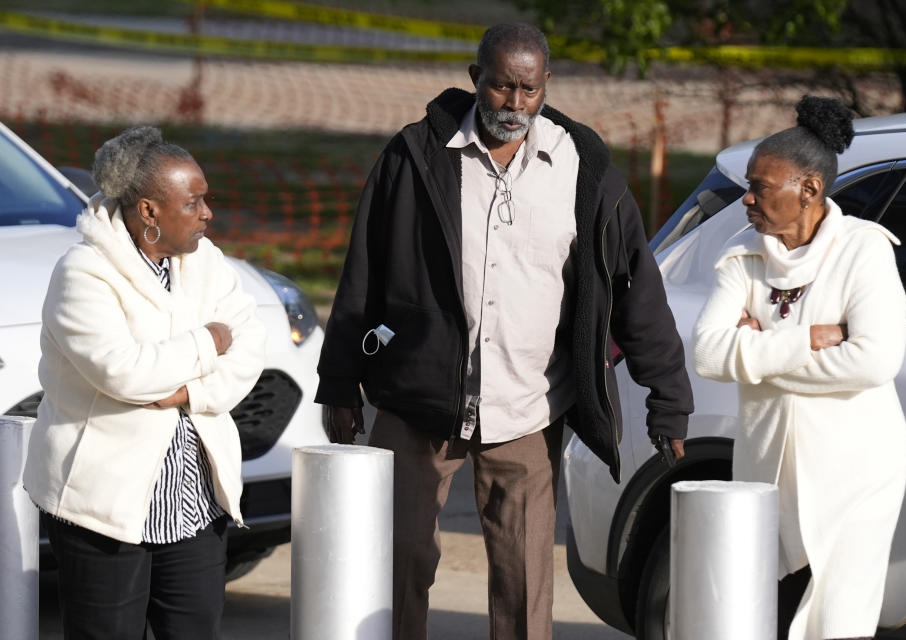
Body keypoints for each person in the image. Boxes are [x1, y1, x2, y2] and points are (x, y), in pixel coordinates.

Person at [315, 22, 693, 640]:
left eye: (527, 90)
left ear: (546, 86)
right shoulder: (413, 157)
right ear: (475, 79)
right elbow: (363, 273)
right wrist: (339, 384)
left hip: (528, 406)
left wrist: (668, 400)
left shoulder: (584, 169)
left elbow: (636, 295)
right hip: (416, 403)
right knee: (393, 562)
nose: (513, 105)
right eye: (499, 88)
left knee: (522, 584)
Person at [24, 126, 266, 639]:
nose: (208, 214)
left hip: (194, 505)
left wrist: (187, 393)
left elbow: (250, 347)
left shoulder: (206, 261)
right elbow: (125, 371)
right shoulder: (83, 273)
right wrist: (208, 343)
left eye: (207, 200)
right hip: (104, 510)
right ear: (150, 212)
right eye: (194, 202)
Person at [693, 96, 906, 640]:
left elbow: (875, 359)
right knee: (757, 617)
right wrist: (809, 341)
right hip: (765, 479)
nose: (746, 198)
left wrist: (760, 349)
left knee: (836, 621)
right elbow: (706, 353)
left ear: (808, 190)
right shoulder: (743, 253)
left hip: (856, 478)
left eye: (761, 187)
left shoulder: (864, 251)